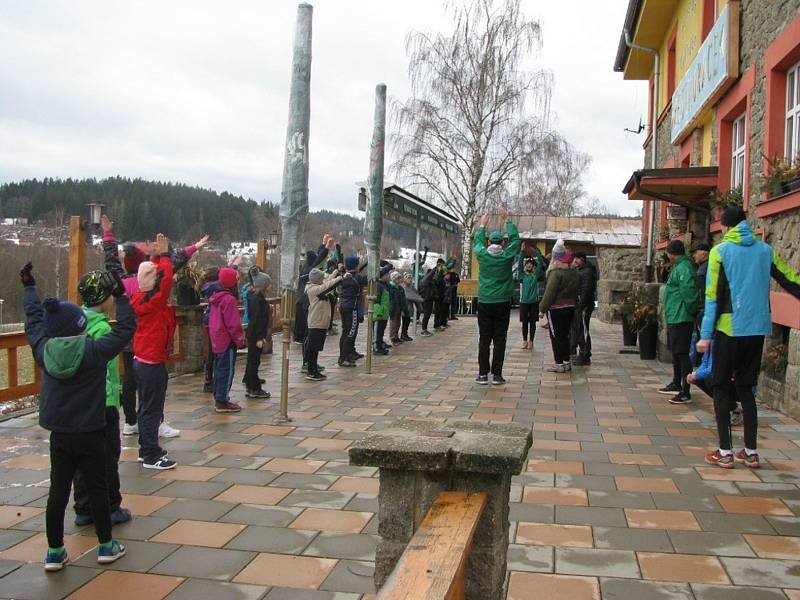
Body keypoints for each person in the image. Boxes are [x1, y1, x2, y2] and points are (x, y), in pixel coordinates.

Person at [22, 262, 132, 571]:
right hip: (92, 431)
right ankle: (106, 546)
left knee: (58, 491)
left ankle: (55, 551)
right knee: (98, 488)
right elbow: (125, 329)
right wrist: (121, 295)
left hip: (60, 434)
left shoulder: (44, 350)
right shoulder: (94, 351)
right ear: (80, 328)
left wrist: (29, 289)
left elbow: (34, 322)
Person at [699, 206, 800, 469]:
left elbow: (713, 297)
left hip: (729, 329)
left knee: (720, 386)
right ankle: (751, 452)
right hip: (757, 329)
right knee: (746, 388)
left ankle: (724, 452)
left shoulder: (719, 252)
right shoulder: (765, 250)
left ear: (725, 227)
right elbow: (788, 278)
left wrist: (705, 335)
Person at [70, 268, 134, 529]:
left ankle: (84, 507)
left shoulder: (77, 322)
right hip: (103, 402)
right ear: (105, 298)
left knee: (80, 459)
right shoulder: (101, 330)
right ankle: (110, 506)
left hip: (79, 404)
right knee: (107, 456)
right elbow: (125, 333)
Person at [473, 208, 521, 385]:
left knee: (484, 338)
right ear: (502, 242)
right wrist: (507, 220)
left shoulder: (482, 255)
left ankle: (482, 374)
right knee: (500, 339)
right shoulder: (507, 256)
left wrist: (482, 225)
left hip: (485, 301)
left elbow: (477, 242)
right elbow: (516, 241)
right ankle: (497, 375)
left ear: (489, 242)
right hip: (502, 302)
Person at [658, 239, 698, 405]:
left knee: (681, 353)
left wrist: (691, 311)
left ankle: (685, 390)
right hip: (676, 315)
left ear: (671, 253)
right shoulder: (681, 267)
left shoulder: (684, 269)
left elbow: (689, 293)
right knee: (676, 351)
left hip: (682, 316)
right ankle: (677, 382)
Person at [538, 240, 580, 373]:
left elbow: (550, 292)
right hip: (570, 307)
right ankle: (567, 361)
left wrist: (542, 309)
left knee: (556, 336)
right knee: (566, 335)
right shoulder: (574, 272)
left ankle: (559, 363)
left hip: (556, 309)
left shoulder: (555, 273)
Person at [209, 267, 246, 413]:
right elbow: (233, 324)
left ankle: (219, 396)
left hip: (216, 338)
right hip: (226, 340)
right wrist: (240, 340)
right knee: (227, 370)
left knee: (218, 370)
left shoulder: (215, 297)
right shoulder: (229, 299)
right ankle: (222, 400)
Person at [305, 267, 345, 380]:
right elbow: (327, 285)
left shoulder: (317, 286)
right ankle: (311, 371)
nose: (323, 279)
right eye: (321, 278)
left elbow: (327, 281)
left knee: (316, 348)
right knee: (313, 349)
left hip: (321, 322)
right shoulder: (313, 290)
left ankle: (314, 369)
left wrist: (336, 272)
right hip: (316, 322)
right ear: (317, 280)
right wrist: (341, 278)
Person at [243, 271, 272, 399]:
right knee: (254, 361)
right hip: (256, 334)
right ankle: (254, 388)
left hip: (252, 332)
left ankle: (251, 385)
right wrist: (260, 337)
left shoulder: (252, 296)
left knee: (252, 360)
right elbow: (257, 319)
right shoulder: (258, 300)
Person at [338, 256, 367, 366]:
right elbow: (370, 278)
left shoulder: (344, 277)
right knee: (350, 332)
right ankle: (344, 357)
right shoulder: (356, 278)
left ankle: (347, 354)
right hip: (352, 308)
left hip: (344, 306)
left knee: (346, 331)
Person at [570, 252, 597, 366]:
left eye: (576, 259)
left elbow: (586, 290)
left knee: (583, 330)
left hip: (584, 306)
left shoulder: (587, 272)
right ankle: (581, 353)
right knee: (579, 329)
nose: (574, 261)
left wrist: (581, 306)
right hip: (580, 305)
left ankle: (585, 355)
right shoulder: (581, 270)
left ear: (582, 260)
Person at [517, 243, 544, 350]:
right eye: (527, 264)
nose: (528, 265)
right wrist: (523, 252)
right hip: (524, 302)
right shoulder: (522, 276)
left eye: (530, 264)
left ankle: (531, 341)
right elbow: (519, 264)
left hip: (534, 302)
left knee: (532, 323)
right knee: (524, 322)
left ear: (533, 266)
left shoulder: (535, 275)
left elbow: (541, 262)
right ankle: (524, 340)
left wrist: (535, 251)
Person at [691, 242, 710, 367]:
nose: (694, 256)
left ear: (704, 253)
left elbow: (702, 292)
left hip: (704, 309)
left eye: (696, 253)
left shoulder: (704, 270)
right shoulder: (703, 268)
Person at [373, 265, 392, 355]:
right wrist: (378, 313)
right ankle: (376, 347)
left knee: (381, 330)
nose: (389, 276)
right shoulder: (378, 285)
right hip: (379, 314)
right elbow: (376, 300)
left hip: (384, 313)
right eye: (387, 274)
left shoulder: (385, 285)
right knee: (377, 330)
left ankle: (380, 344)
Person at [419, 267, 437, 337]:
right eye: (433, 274)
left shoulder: (431, 281)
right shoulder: (425, 280)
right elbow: (429, 275)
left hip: (430, 299)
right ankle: (424, 330)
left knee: (428, 315)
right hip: (426, 299)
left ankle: (425, 329)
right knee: (426, 315)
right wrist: (435, 268)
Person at [388, 271, 405, 345]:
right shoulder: (390, 287)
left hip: (399, 308)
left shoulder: (400, 288)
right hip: (393, 308)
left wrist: (403, 307)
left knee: (398, 323)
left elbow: (403, 298)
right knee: (393, 324)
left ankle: (396, 336)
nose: (399, 280)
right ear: (394, 279)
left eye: (399, 278)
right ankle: (393, 338)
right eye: (398, 279)